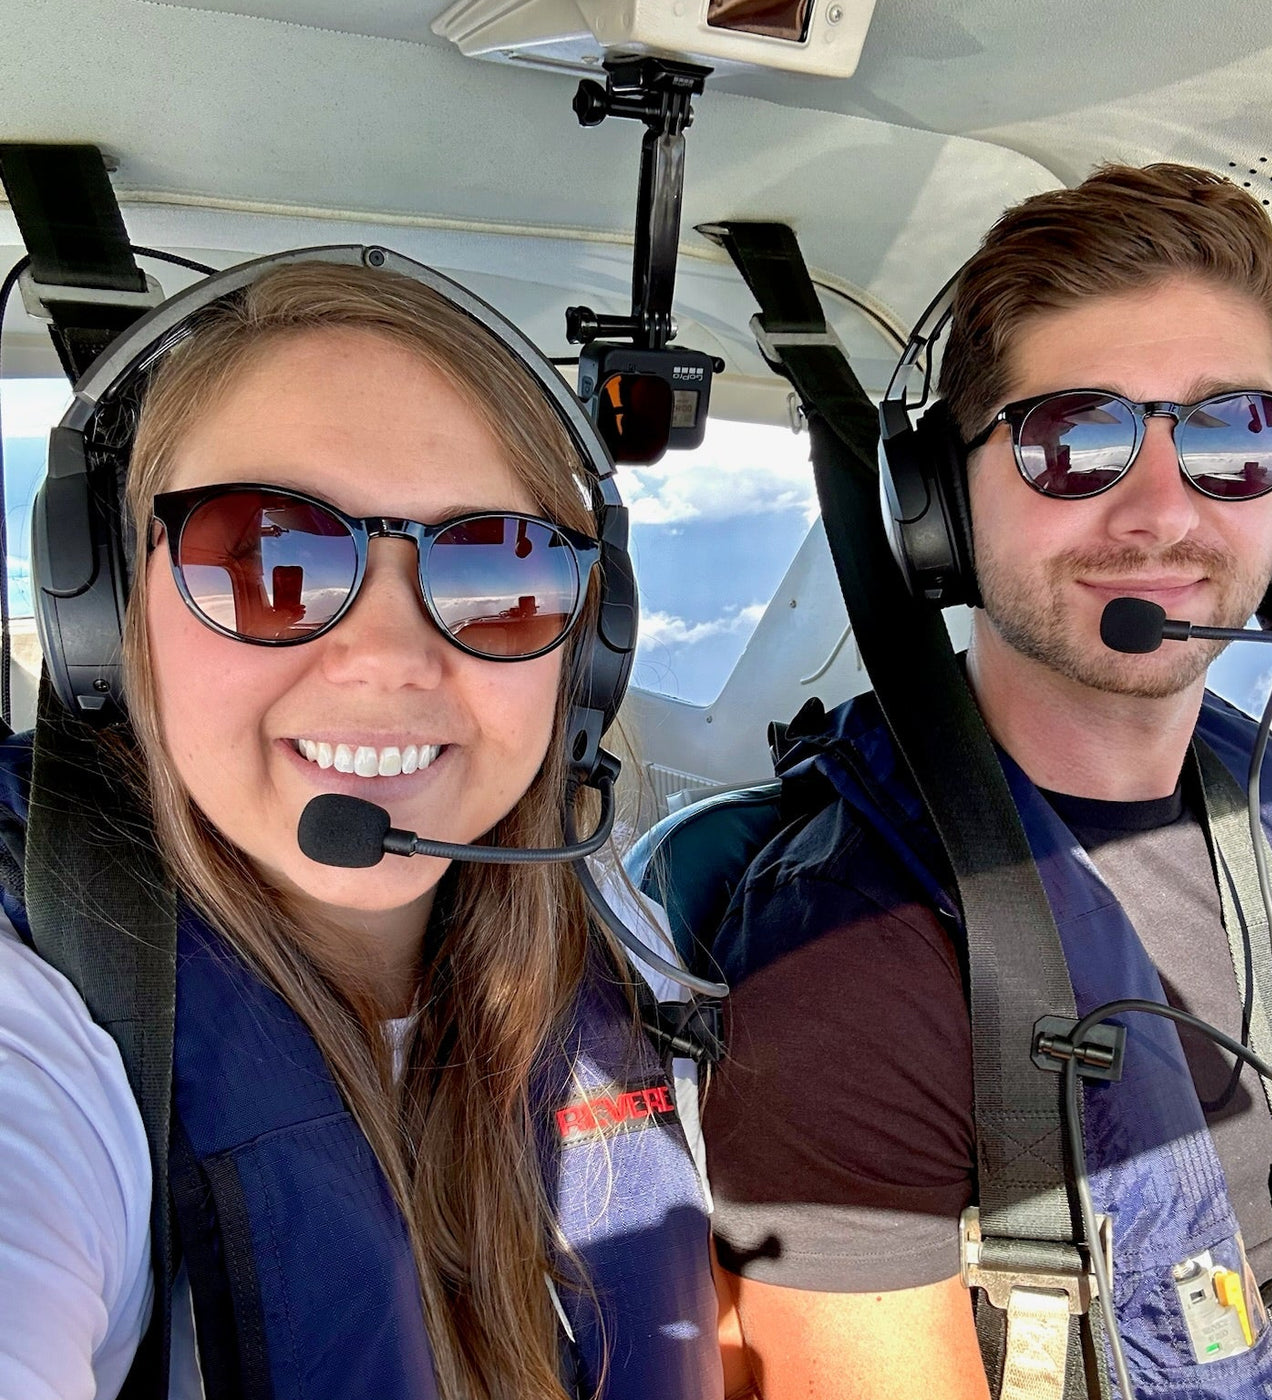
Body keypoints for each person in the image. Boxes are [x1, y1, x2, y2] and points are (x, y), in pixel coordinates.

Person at [701, 164, 1272, 1399]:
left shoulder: (1266, 783)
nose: (1158, 509)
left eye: (1234, 434)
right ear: (937, 507)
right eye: (1070, 440)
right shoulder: (851, 962)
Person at [0, 252, 728, 1399]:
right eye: (261, 555)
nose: (388, 657)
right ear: (106, 611)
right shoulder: (37, 1037)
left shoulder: (615, 942)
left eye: (499, 568)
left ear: (585, 652)